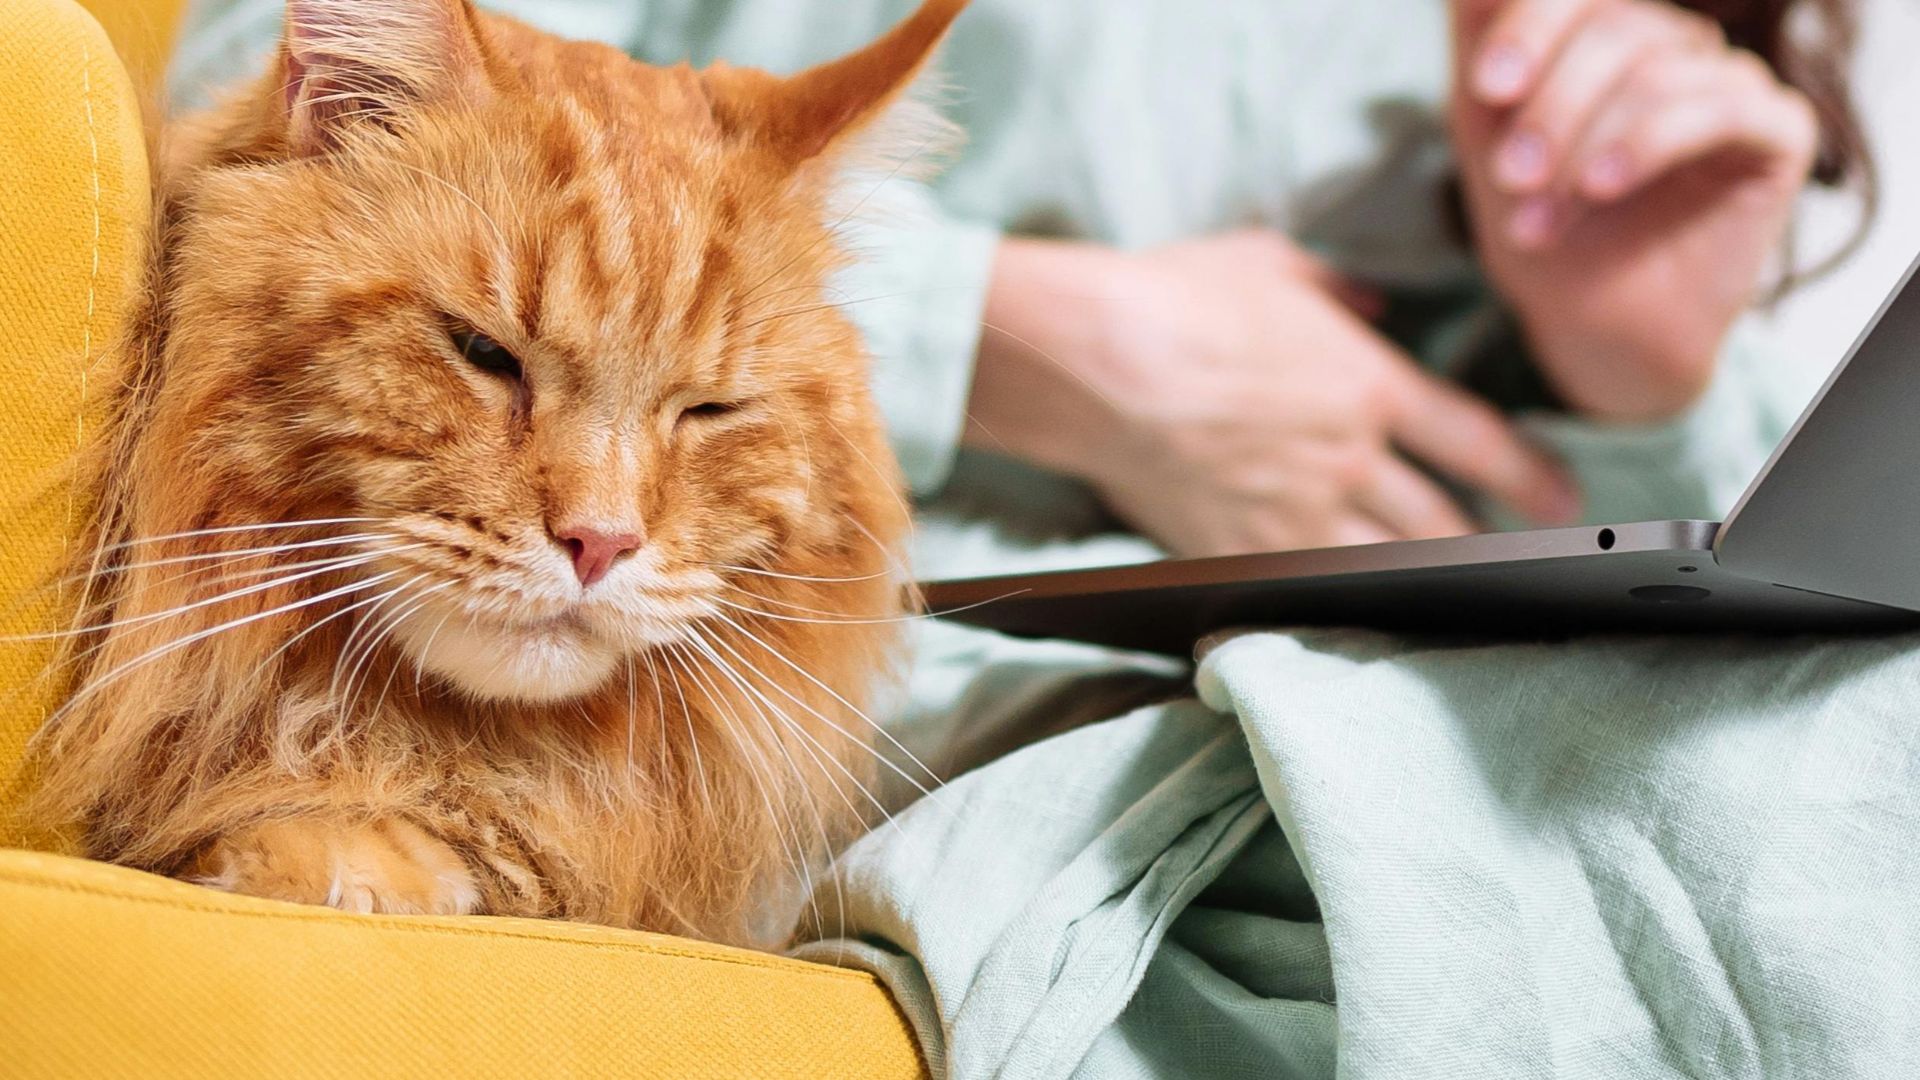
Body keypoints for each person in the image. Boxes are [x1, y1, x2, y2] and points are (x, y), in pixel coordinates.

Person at [169, 3, 1910, 1076]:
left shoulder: (1603, 47)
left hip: (1402, 671)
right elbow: (249, 73)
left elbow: (1752, 573)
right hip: (931, 670)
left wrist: (1641, 373)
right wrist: (1035, 339)